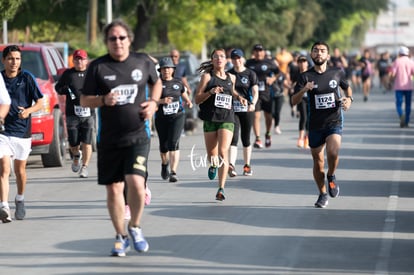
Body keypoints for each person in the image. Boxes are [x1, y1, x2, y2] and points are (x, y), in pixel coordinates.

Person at [80, 19, 162, 256]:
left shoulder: (143, 61)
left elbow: (156, 84)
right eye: (112, 38)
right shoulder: (98, 67)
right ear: (106, 42)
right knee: (114, 189)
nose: (117, 42)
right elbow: (85, 100)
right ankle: (120, 235)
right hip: (109, 139)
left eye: (121, 37)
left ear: (129, 39)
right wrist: (103, 100)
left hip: (137, 135)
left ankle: (135, 226)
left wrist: (154, 104)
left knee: (136, 182)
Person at [292, 41, 353, 208]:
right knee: (318, 162)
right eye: (316, 51)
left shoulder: (337, 73)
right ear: (312, 55)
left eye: (322, 51)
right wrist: (304, 90)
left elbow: (348, 89)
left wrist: (349, 100)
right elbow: (293, 100)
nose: (319, 53)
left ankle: (331, 175)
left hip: (334, 121)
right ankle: (322, 193)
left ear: (328, 55)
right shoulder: (305, 77)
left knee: (333, 152)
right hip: (315, 124)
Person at [195, 48, 247, 200]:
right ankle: (213, 165)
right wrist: (211, 92)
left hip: (227, 118)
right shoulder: (207, 77)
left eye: (222, 56)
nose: (219, 59)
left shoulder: (231, 77)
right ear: (212, 60)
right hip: (210, 118)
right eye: (216, 56)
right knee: (212, 155)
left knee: (223, 151)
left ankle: (221, 188)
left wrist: (239, 98)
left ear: (226, 60)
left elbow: (232, 92)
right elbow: (197, 99)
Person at [0, 45, 44, 223]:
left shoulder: (27, 78)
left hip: (22, 132)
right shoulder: (0, 79)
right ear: (4, 60)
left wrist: (28, 111)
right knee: (4, 168)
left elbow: (40, 102)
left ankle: (19, 198)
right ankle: (4, 206)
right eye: (10, 58)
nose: (14, 62)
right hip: (3, 131)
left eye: (17, 59)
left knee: (20, 171)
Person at [55, 49, 93, 178]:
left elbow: (101, 87)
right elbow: (58, 88)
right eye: (76, 59)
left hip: (88, 113)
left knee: (87, 142)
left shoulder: (91, 74)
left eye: (82, 59)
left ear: (86, 61)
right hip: (73, 113)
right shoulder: (68, 74)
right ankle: (76, 156)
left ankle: (85, 167)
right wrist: (64, 90)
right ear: (73, 61)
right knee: (73, 143)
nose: (79, 61)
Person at [155, 57, 193, 182]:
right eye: (164, 68)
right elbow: (151, 100)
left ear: (173, 70)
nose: (166, 70)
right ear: (160, 70)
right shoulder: (157, 84)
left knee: (173, 142)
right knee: (164, 145)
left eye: (168, 68)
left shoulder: (178, 83)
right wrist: (162, 101)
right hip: (161, 117)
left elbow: (183, 93)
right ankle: (164, 164)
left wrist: (188, 101)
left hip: (178, 115)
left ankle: (173, 172)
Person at [227, 49, 258, 177]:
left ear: (243, 58)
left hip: (247, 109)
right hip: (232, 109)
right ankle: (231, 165)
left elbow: (255, 91)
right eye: (234, 58)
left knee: (245, 138)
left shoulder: (250, 74)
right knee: (233, 138)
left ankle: (247, 165)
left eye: (238, 58)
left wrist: (253, 104)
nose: (236, 61)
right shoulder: (228, 74)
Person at [245, 44, 280, 148]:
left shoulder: (269, 62)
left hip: (267, 92)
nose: (258, 53)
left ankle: (268, 133)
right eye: (256, 51)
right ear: (253, 53)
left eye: (260, 51)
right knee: (256, 115)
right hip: (254, 94)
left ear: (264, 52)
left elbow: (278, 73)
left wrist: (273, 79)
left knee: (268, 116)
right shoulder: (249, 63)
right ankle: (258, 139)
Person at [389, 46, 414, 128]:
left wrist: (390, 81)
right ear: (407, 53)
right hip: (408, 86)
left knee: (399, 104)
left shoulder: (397, 61)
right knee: (408, 105)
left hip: (398, 86)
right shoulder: (411, 62)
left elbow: (393, 74)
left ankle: (401, 114)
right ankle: (406, 122)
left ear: (399, 53)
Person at [293, 55, 310, 148]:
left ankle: (306, 138)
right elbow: (291, 82)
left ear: (307, 63)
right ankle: (300, 138)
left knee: (309, 118)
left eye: (304, 61)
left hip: (310, 98)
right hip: (301, 98)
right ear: (298, 63)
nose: (302, 63)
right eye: (300, 62)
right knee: (303, 116)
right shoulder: (296, 73)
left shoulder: (311, 73)